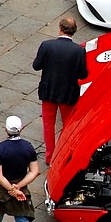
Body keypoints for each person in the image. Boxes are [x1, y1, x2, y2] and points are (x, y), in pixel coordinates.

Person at [32, 17, 88, 166]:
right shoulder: (79, 51)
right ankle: (65, 155)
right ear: (74, 31)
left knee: (48, 124)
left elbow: (36, 66)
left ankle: (50, 157)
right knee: (67, 126)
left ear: (60, 28)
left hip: (48, 91)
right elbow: (83, 74)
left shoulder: (47, 45)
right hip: (68, 94)